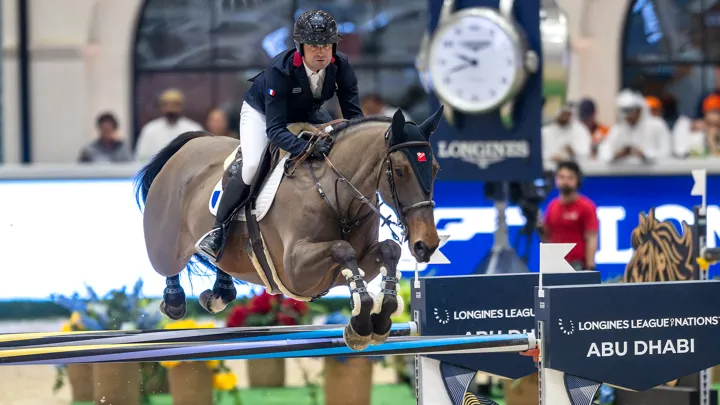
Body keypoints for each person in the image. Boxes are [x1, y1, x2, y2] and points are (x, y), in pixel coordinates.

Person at [195, 9, 365, 262]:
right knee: (252, 166)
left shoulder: (341, 66)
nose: (321, 52)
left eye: (327, 45)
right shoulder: (280, 70)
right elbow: (275, 130)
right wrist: (306, 148)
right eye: (314, 46)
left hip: (307, 112)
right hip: (263, 113)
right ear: (301, 47)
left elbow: (354, 117)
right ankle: (218, 231)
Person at [540, 161, 598, 271]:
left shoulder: (586, 206)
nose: (565, 181)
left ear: (577, 180)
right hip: (555, 264)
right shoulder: (552, 206)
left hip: (577, 265)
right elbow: (547, 237)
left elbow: (591, 238)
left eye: (570, 178)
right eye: (561, 177)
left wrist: (590, 267)